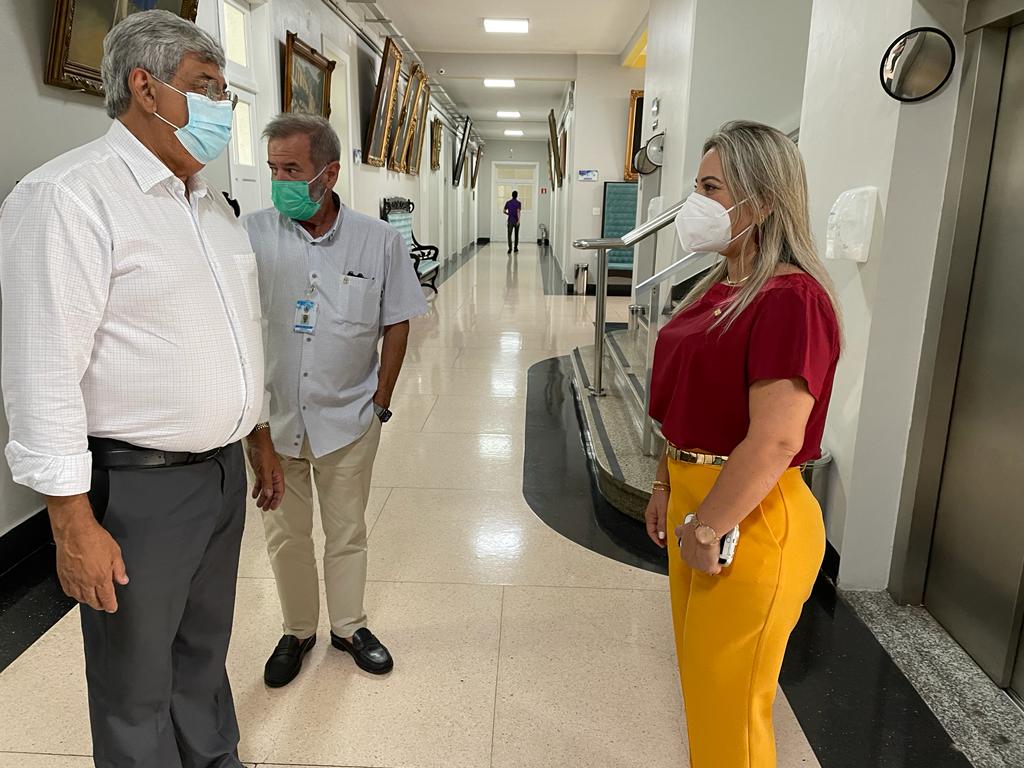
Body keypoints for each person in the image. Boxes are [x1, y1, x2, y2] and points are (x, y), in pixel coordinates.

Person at [0, 10, 283, 768]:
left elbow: (237, 337)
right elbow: (41, 370)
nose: (221, 107)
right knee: (135, 680)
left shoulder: (209, 206)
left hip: (219, 478)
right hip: (136, 488)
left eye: (224, 91)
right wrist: (70, 522)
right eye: (205, 86)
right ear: (145, 87)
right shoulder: (69, 197)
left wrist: (256, 437)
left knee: (203, 653)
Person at [644, 121, 841, 768]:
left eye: (711, 188)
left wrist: (711, 524)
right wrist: (666, 485)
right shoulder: (717, 289)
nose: (695, 202)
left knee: (732, 707)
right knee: (704, 692)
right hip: (697, 503)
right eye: (697, 186)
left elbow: (777, 436)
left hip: (749, 518)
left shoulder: (791, 299)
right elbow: (689, 403)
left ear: (764, 199)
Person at [242, 113, 428, 688]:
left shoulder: (379, 241)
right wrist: (252, 422)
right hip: (274, 425)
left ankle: (349, 627)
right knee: (285, 533)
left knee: (347, 530)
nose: (280, 182)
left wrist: (380, 402)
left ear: (329, 173)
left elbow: (398, 320)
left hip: (348, 417)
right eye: (273, 169)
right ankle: (297, 630)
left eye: (292, 169)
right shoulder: (250, 235)